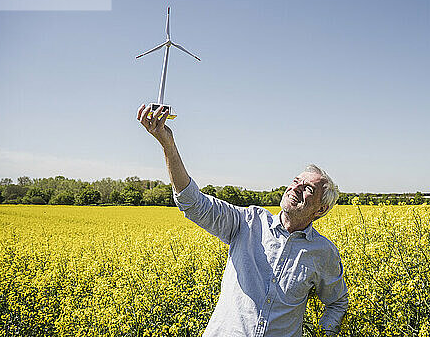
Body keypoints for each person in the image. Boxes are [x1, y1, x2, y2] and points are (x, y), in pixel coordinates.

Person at [137, 103, 348, 336]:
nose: (296, 188)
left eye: (308, 188)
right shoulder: (248, 222)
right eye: (296, 180)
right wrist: (168, 145)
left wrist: (325, 332)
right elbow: (192, 202)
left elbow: (337, 302)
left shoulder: (324, 252)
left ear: (320, 209)